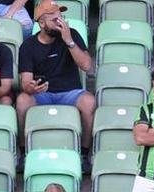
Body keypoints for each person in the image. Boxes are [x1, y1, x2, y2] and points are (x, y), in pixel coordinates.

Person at [15, 1, 95, 168]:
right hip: (43, 93)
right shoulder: (28, 45)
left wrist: (69, 41)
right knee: (22, 100)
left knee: (89, 102)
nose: (60, 22)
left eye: (61, 17)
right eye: (54, 19)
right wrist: (31, 88)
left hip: (70, 92)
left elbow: (87, 66)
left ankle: (84, 153)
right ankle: (23, 153)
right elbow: (25, 82)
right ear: (42, 23)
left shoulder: (71, 34)